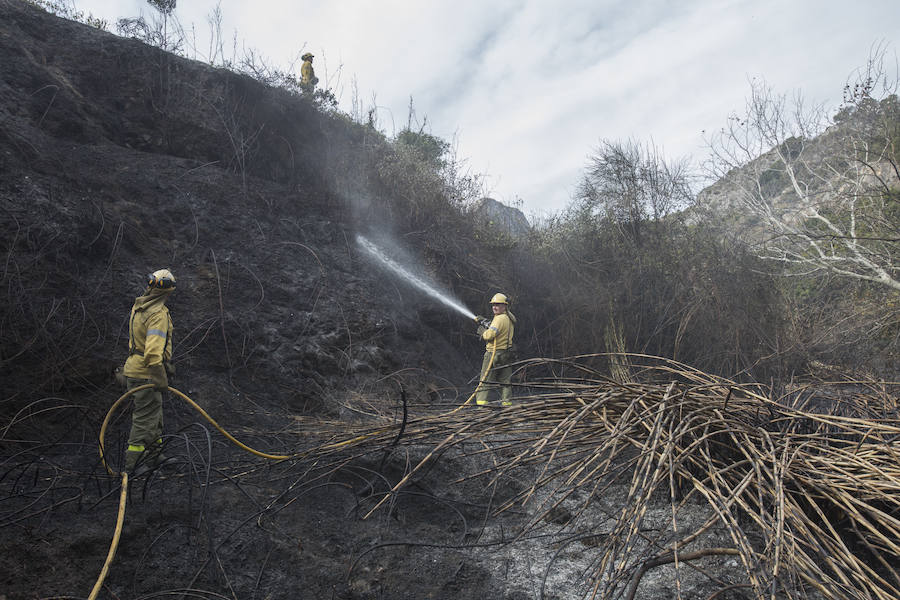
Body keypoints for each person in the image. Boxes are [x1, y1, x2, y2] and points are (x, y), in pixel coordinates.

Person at [121, 268, 176, 474]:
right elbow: (152, 352)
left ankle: (154, 455)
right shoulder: (158, 314)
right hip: (146, 373)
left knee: (154, 415)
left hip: (134, 369)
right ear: (167, 292)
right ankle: (132, 463)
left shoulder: (140, 307)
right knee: (144, 419)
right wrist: (159, 374)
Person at [474, 293, 517, 406]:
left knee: (485, 381)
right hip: (505, 354)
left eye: (498, 304)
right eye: (493, 305)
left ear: (505, 306)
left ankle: (481, 406)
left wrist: (483, 332)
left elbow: (490, 335)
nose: (494, 307)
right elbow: (498, 329)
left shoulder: (499, 319)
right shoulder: (509, 317)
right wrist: (487, 322)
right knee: (506, 382)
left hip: (493, 354)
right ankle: (507, 405)